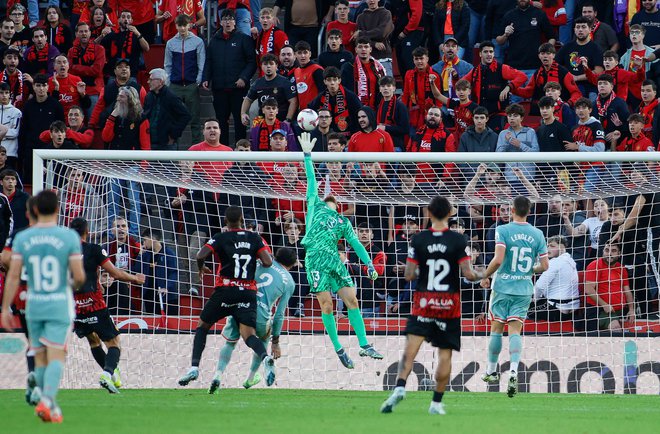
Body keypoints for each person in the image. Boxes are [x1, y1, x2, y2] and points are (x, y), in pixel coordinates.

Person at [380, 196, 485, 415]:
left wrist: (422, 271)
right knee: (445, 354)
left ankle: (400, 387)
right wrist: (486, 273)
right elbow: (468, 274)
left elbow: (408, 275)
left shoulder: (418, 240)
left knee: (410, 350)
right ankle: (436, 403)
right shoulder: (459, 241)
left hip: (424, 302)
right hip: (449, 305)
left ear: (428, 213)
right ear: (450, 214)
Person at [298, 131, 383, 368]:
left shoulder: (343, 222)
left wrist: (368, 264)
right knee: (327, 305)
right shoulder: (314, 207)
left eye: (333, 202)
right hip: (315, 260)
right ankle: (338, 348)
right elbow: (312, 181)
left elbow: (356, 244)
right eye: (327, 200)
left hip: (334, 261)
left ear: (337, 206)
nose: (329, 202)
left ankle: (365, 345)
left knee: (352, 301)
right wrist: (307, 156)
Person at [1, 189, 85, 423]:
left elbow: (14, 276)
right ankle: (48, 401)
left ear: (35, 210)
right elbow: (79, 277)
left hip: (34, 304)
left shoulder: (23, 238)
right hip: (58, 302)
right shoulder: (69, 237)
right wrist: (69, 284)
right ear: (58, 209)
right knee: (57, 353)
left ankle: (47, 402)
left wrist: (5, 308)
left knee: (38, 356)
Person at [177, 206, 276, 387]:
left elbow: (200, 254)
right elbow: (268, 262)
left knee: (202, 326)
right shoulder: (254, 238)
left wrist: (201, 268)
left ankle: (194, 367)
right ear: (242, 220)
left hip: (226, 290)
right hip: (247, 292)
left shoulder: (220, 237)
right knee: (249, 336)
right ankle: (265, 357)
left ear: (225, 221)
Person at [481, 195, 549, 398]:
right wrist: (529, 270)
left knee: (496, 329)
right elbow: (545, 266)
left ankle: (491, 371)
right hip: (523, 289)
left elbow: (498, 258)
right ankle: (513, 372)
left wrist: (484, 275)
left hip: (502, 286)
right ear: (529, 211)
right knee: (515, 332)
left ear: (512, 210)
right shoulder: (538, 234)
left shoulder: (502, 230)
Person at [68, 217, 144, 394]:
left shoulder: (63, 252)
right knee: (114, 342)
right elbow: (115, 273)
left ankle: (112, 373)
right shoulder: (94, 249)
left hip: (75, 306)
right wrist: (135, 278)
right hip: (94, 303)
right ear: (88, 231)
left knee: (93, 341)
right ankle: (107, 373)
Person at [210, 247, 297, 392]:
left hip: (240, 305)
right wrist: (275, 342)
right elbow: (279, 314)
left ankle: (217, 376)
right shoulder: (289, 282)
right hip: (261, 313)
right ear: (293, 264)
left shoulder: (259, 262)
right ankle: (251, 378)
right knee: (263, 339)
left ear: (275, 256)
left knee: (230, 343)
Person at [202, 8, 256, 146]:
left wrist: (244, 78)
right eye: (225, 19)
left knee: (239, 122)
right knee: (221, 122)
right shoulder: (214, 40)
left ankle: (241, 153)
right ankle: (223, 152)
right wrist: (205, 78)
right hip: (219, 88)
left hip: (239, 89)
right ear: (221, 22)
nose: (227, 22)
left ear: (235, 22)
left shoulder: (244, 39)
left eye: (230, 19)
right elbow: (209, 61)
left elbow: (252, 62)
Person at [461, 41, 527, 132]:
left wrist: (509, 87)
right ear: (480, 54)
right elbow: (460, 85)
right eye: (486, 52)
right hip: (480, 115)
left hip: (498, 114)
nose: (489, 54)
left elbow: (522, 76)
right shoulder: (474, 71)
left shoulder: (502, 68)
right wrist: (455, 77)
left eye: (491, 52)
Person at [164, 14, 205, 145]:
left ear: (189, 25)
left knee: (194, 119)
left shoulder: (198, 41)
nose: (182, 28)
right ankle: (173, 149)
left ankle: (196, 151)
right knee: (173, 119)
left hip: (191, 84)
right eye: (179, 25)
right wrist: (168, 82)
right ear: (176, 26)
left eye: (184, 25)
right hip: (175, 85)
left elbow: (201, 62)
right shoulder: (170, 43)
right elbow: (167, 64)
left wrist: (198, 80)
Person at [512, 42, 582, 112]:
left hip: (560, 110)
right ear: (539, 56)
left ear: (554, 55)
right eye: (542, 54)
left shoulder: (563, 72)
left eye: (548, 53)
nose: (545, 56)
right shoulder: (537, 73)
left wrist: (568, 104)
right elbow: (528, 92)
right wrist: (511, 88)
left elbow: (576, 93)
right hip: (542, 110)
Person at [496, 0, 556, 78]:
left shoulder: (539, 14)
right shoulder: (509, 15)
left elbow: (552, 37)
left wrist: (546, 51)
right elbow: (499, 41)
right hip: (514, 67)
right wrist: (505, 35)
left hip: (534, 67)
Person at [584, 242, 635, 331]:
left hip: (619, 310)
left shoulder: (621, 268)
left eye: (613, 251)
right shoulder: (595, 265)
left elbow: (627, 291)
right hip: (601, 310)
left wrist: (631, 309)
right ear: (603, 251)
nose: (609, 253)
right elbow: (588, 289)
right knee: (616, 330)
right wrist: (604, 305)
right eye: (607, 250)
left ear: (619, 254)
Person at [529, 235, 579, 321]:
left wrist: (532, 300)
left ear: (563, 248)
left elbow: (539, 286)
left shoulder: (555, 262)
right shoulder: (571, 261)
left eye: (552, 246)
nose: (548, 249)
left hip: (557, 310)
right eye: (547, 246)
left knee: (520, 308)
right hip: (573, 310)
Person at [241, 53, 298, 127]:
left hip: (281, 122)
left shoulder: (284, 82)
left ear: (276, 66)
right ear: (261, 66)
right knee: (255, 131)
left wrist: (288, 120)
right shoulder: (258, 83)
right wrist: (243, 113)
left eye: (271, 64)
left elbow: (293, 101)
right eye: (265, 64)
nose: (268, 66)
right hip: (263, 123)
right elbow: (248, 99)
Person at [133, 228, 179, 316]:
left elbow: (173, 273)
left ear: (152, 239)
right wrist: (140, 255)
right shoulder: (145, 254)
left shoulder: (168, 253)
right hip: (150, 296)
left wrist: (166, 287)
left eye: (145, 240)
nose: (143, 243)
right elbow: (137, 271)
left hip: (167, 296)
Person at [143, 68, 191, 150]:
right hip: (149, 141)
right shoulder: (149, 96)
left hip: (166, 144)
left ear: (161, 81)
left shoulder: (171, 96)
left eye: (151, 80)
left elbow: (186, 115)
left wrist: (173, 135)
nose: (148, 82)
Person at [556, 16, 603, 100]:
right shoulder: (567, 47)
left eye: (583, 27)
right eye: (577, 27)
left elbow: (599, 71)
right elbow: (556, 64)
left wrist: (577, 78)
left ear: (589, 30)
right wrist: (567, 75)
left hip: (590, 86)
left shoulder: (596, 48)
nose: (580, 30)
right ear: (574, 30)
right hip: (569, 85)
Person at [308, 66, 362, 135]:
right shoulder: (321, 97)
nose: (332, 83)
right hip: (327, 137)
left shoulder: (350, 96)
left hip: (348, 137)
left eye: (334, 79)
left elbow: (359, 115)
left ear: (339, 80)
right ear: (324, 81)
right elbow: (310, 110)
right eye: (329, 80)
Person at [68, 21, 106, 119]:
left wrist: (76, 67)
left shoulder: (99, 49)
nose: (84, 33)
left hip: (93, 91)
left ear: (90, 33)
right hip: (76, 91)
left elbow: (96, 70)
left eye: (86, 31)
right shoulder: (71, 51)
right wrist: (89, 69)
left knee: (92, 121)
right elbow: (69, 71)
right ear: (76, 34)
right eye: (81, 32)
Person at [101, 10, 149, 77]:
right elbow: (98, 46)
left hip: (131, 73)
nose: (126, 19)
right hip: (114, 74)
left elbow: (147, 48)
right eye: (123, 17)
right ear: (119, 20)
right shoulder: (112, 35)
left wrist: (138, 34)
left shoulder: (136, 35)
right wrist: (102, 35)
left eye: (128, 17)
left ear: (131, 21)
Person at [402, 47, 441, 131]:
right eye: (416, 59)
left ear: (427, 59)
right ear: (413, 60)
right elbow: (406, 94)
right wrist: (404, 112)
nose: (419, 61)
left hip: (430, 115)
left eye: (421, 58)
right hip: (413, 115)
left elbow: (439, 98)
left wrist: (438, 114)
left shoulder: (435, 75)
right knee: (413, 138)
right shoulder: (408, 75)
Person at [355, 0, 395, 77]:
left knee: (387, 87)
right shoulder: (360, 17)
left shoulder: (386, 13)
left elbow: (382, 33)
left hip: (383, 58)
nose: (371, 0)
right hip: (366, 60)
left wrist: (362, 33)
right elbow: (359, 39)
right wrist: (374, 44)